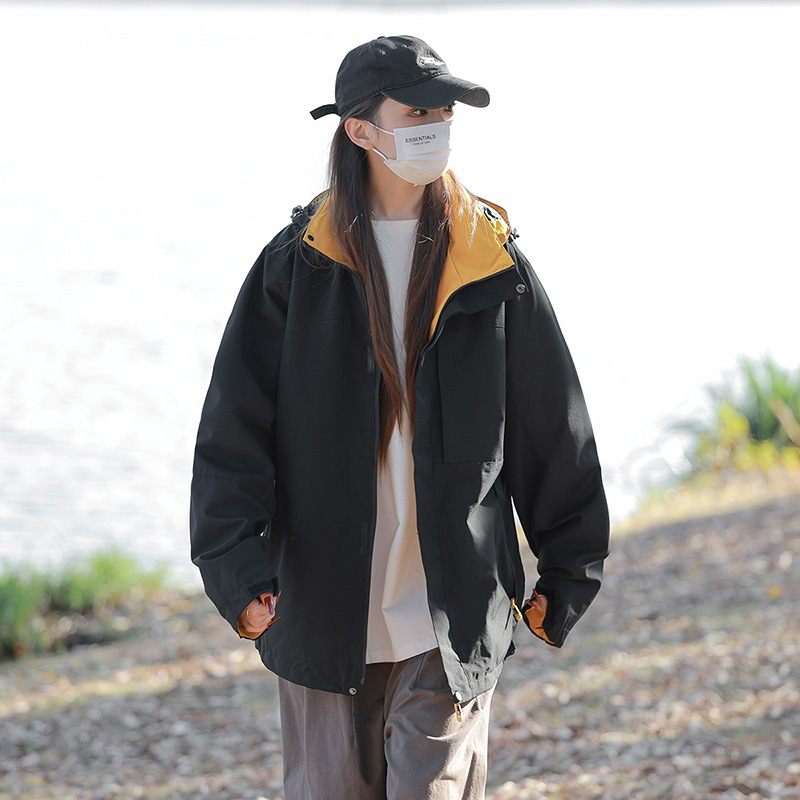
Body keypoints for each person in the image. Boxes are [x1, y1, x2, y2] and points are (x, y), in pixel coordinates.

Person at [190, 34, 609, 800]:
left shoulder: (489, 260)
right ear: (360, 129)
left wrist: (569, 569)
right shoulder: (295, 266)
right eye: (417, 112)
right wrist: (234, 573)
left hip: (452, 612)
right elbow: (234, 432)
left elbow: (553, 423)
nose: (436, 126)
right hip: (323, 612)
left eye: (445, 111)